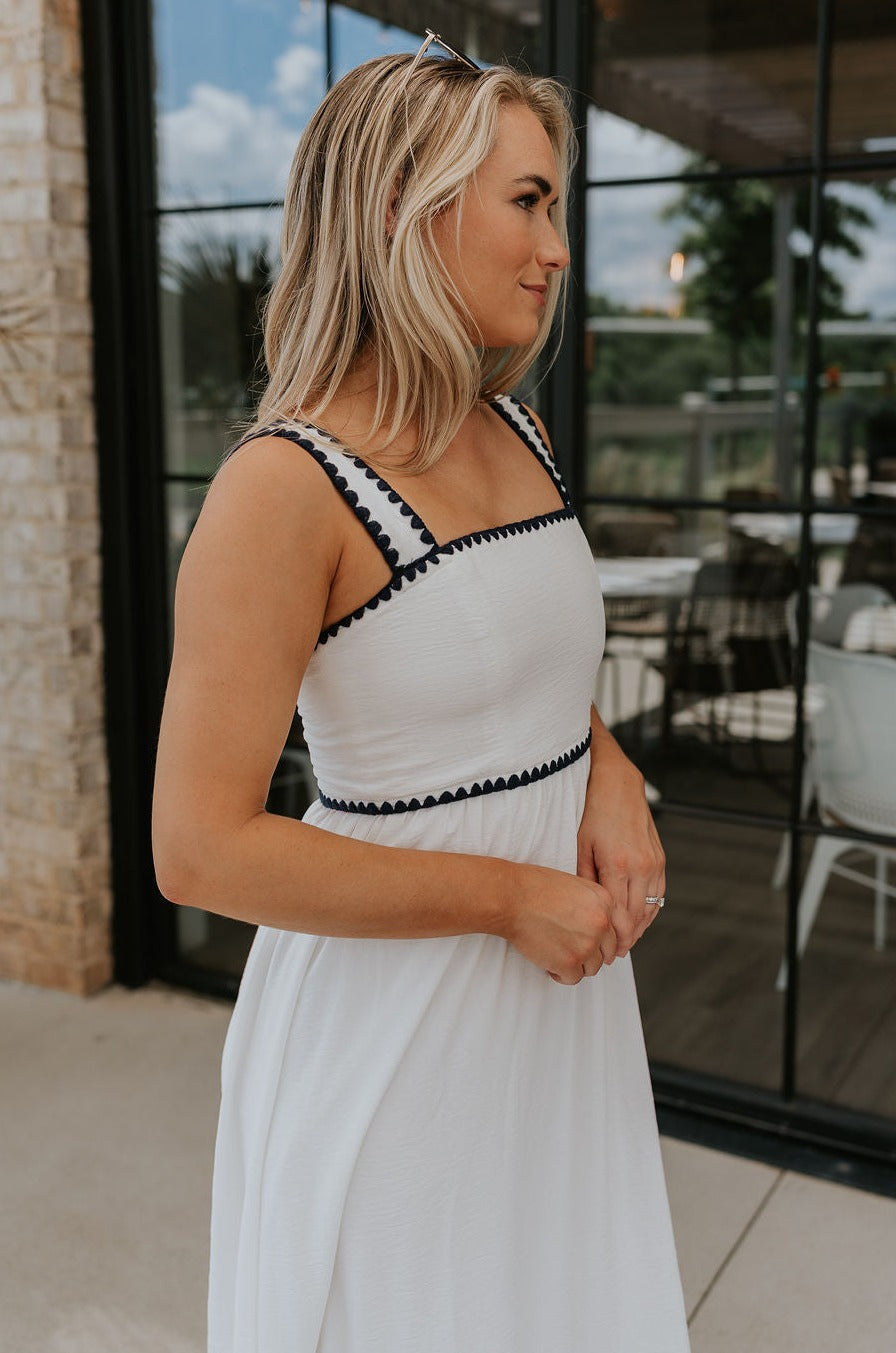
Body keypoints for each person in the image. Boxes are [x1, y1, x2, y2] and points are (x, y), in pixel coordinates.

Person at [152, 36, 690, 1353]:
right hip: (396, 1037)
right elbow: (196, 845)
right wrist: (507, 897)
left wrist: (610, 772)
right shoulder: (283, 489)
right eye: (529, 202)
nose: (558, 249)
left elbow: (525, 672)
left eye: (553, 206)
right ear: (404, 210)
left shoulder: (520, 431)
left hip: (555, 1007)